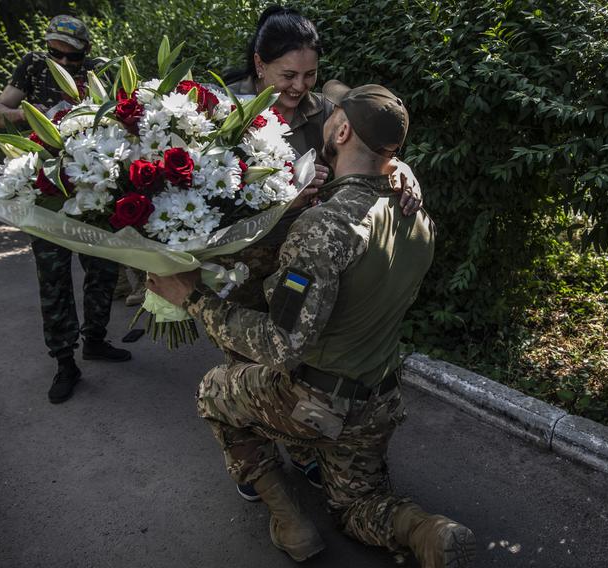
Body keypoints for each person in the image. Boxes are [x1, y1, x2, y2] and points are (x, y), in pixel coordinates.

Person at [147, 80, 475, 567]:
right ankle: (424, 528)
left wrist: (191, 297)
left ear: (341, 131)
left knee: (214, 392)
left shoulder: (325, 229)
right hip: (378, 398)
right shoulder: (417, 217)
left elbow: (282, 343)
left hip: (313, 400)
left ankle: (289, 520)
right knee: (356, 507)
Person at [216, 5, 422, 500]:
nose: (299, 85)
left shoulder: (322, 111)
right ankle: (259, 467)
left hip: (304, 260)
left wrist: (402, 169)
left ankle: (306, 453)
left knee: (296, 361)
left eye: (310, 74)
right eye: (288, 74)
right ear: (259, 64)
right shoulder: (221, 114)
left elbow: (367, 142)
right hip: (241, 260)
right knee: (245, 360)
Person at [0, 15, 131, 404]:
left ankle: (96, 340)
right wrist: (29, 116)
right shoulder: (33, 64)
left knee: (103, 268)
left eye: (72, 57)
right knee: (54, 276)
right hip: (45, 190)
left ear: (85, 50)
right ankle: (64, 360)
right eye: (57, 54)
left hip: (92, 188)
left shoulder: (101, 71)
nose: (63, 63)